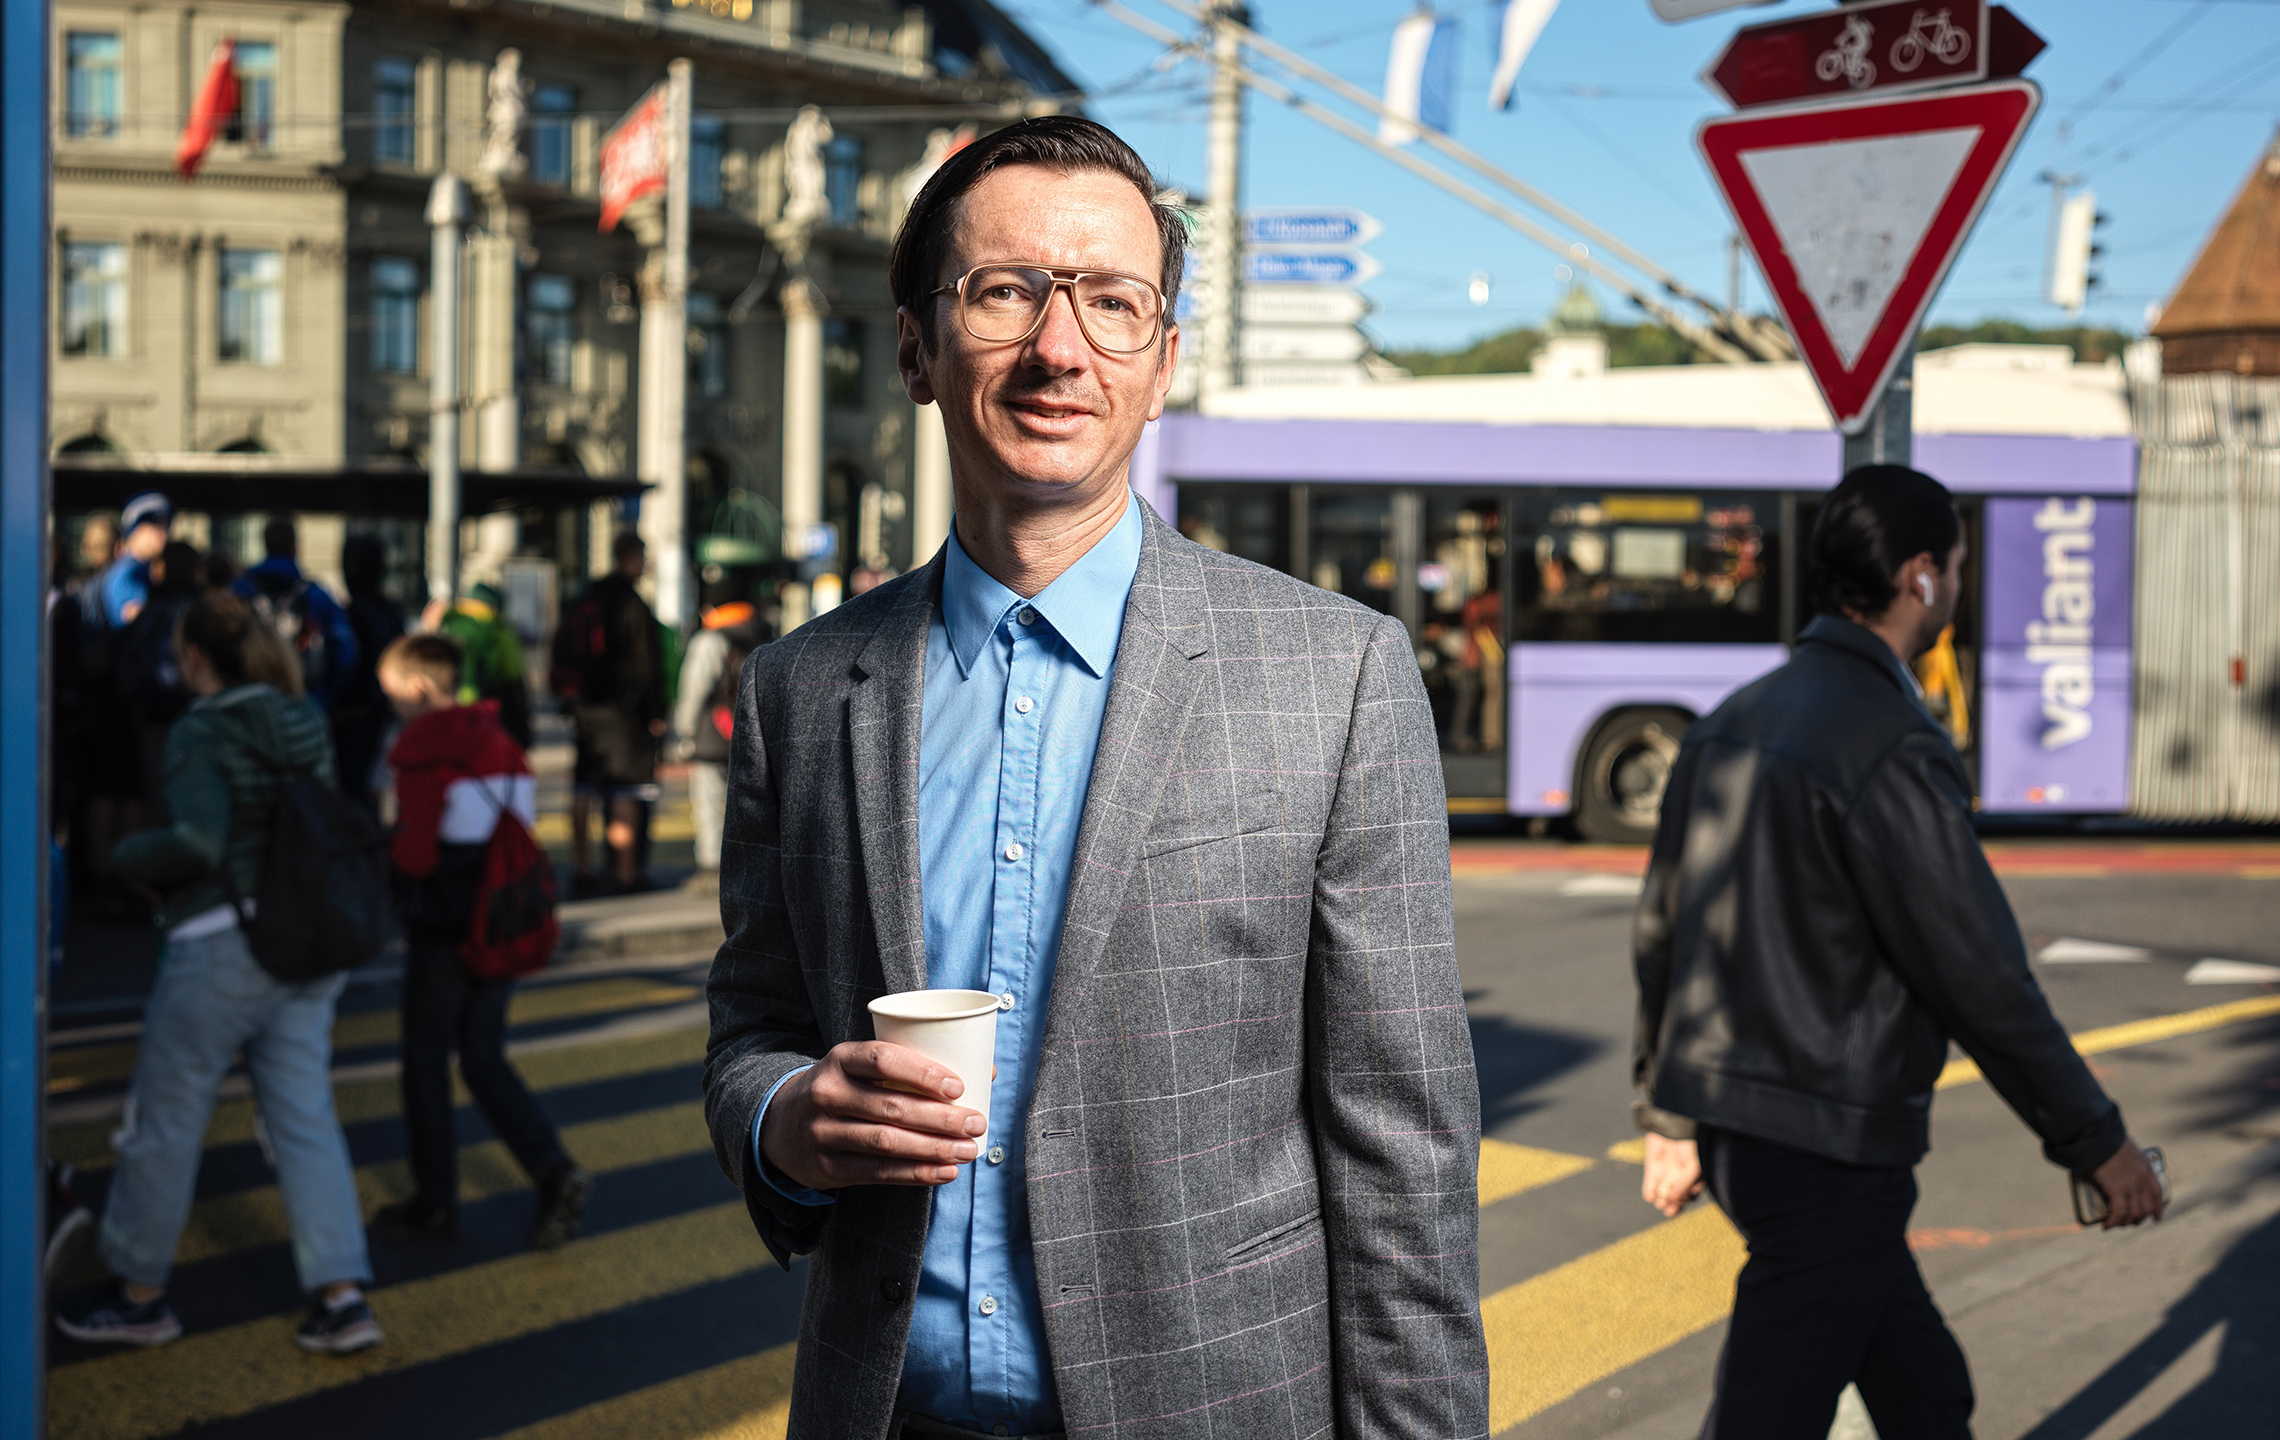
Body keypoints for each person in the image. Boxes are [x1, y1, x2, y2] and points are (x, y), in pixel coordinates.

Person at [702, 116, 1488, 1440]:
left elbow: (1402, 1165)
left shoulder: (1334, 677)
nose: (1059, 349)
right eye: (1006, 291)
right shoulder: (798, 689)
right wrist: (785, 1119)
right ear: (915, 347)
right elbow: (751, 1026)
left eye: (1113, 302)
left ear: (1161, 360)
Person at [1630, 464, 2166, 1440]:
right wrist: (2098, 1144)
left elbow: (1662, 932)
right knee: (1768, 1412)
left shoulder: (1730, 723)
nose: (1958, 585)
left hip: (1746, 1134)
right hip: (1829, 1137)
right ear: (1921, 574)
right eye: (1956, 565)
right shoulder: (1889, 743)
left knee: (1924, 1394)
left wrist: (1669, 1110)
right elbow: (1980, 975)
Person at [56, 593, 381, 1354]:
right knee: (303, 1122)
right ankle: (341, 1297)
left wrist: (123, 856)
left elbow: (199, 842)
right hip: (305, 943)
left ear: (194, 658)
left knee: (163, 1123)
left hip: (220, 944)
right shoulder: (304, 717)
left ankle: (141, 1294)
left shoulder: (202, 728)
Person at [371, 634, 590, 1249]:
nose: (391, 708)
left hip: (443, 928)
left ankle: (435, 1201)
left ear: (417, 688)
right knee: (484, 1058)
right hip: (499, 924)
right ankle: (553, 1168)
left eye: (392, 694)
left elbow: (414, 856)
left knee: (424, 1062)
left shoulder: (420, 748)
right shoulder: (502, 743)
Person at [550, 532, 667, 895]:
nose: (645, 563)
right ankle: (626, 874)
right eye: (643, 556)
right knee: (625, 790)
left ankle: (583, 871)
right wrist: (655, 711)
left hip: (584, 707)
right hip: (622, 709)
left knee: (584, 788)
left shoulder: (585, 597)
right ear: (630, 556)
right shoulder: (631, 603)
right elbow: (646, 663)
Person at [668, 599, 769, 880]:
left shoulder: (710, 640)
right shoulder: (764, 635)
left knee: (710, 800)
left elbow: (694, 689)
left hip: (712, 732)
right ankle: (749, 864)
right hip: (752, 731)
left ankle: (713, 865)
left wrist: (684, 731)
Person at [231, 516, 360, 714]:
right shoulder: (315, 594)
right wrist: (325, 696)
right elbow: (345, 654)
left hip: (247, 705)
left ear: (265, 543)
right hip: (305, 703)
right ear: (294, 545)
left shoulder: (239, 593)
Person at [333, 532, 408, 815]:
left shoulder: (351, 614)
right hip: (387, 713)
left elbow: (344, 667)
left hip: (355, 718)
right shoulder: (392, 611)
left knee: (357, 799)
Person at [435, 579, 532, 750]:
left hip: (451, 699)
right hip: (492, 700)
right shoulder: (499, 629)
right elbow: (512, 670)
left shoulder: (450, 625)